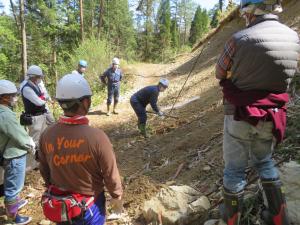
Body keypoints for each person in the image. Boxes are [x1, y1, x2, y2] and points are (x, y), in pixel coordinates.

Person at [215, 0, 300, 224]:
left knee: (234, 169)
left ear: (251, 11)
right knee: (264, 161)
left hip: (239, 114)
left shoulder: (239, 39)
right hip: (273, 114)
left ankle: (231, 220)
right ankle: (278, 216)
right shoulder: (294, 37)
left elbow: (219, 72)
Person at [39, 74, 123, 225]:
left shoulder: (46, 135)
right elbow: (110, 174)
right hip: (90, 208)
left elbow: (44, 171)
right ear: (85, 102)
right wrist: (116, 196)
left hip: (61, 207)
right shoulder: (97, 137)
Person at [0, 80, 36, 224]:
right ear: (3, 97)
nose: (15, 98)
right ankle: (14, 216)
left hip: (11, 152)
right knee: (13, 186)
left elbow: (13, 132)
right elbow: (18, 135)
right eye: (12, 95)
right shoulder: (5, 115)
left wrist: (23, 125)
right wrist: (31, 145)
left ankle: (13, 205)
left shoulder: (5, 111)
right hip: (13, 155)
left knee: (14, 183)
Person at [20, 65, 53, 170]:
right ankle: (31, 166)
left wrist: (43, 98)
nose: (40, 78)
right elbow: (38, 102)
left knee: (42, 139)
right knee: (34, 142)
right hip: (34, 118)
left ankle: (40, 161)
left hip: (41, 115)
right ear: (33, 76)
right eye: (39, 76)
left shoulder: (35, 85)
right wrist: (44, 99)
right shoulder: (27, 88)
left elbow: (43, 96)